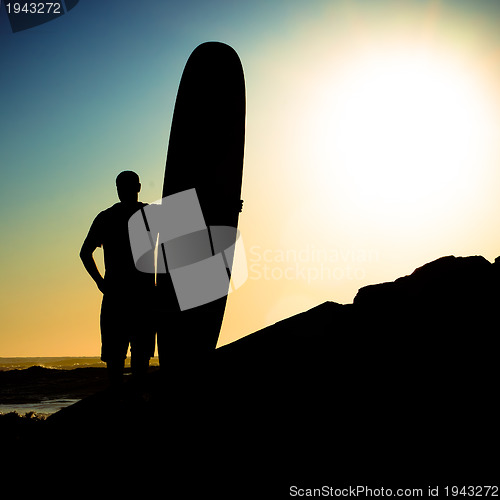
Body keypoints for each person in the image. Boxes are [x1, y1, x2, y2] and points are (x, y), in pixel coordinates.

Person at [80, 171, 156, 395]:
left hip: (115, 297)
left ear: (118, 189)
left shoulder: (105, 217)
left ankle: (116, 415)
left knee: (115, 364)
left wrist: (100, 283)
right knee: (140, 362)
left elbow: (85, 253)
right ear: (139, 187)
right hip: (143, 298)